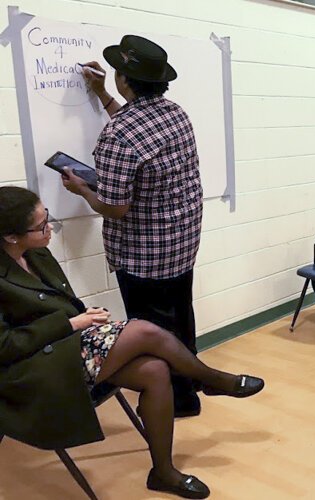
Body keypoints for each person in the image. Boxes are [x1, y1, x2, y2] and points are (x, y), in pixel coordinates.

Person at [0, 187, 264, 499]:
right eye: (42, 225)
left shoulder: (36, 253)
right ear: (11, 236)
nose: (50, 229)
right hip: (29, 371)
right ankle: (210, 379)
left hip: (66, 346)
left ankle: (163, 473)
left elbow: (62, 303)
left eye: (48, 218)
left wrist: (84, 317)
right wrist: (72, 323)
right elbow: (5, 346)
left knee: (154, 370)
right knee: (142, 331)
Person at [63, 35, 204, 417]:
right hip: (182, 241)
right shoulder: (175, 112)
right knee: (180, 315)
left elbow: (115, 208)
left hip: (144, 254)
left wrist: (82, 191)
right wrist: (104, 96)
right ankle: (189, 391)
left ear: (125, 79)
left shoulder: (119, 133)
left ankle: (174, 402)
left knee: (154, 333)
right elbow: (139, 134)